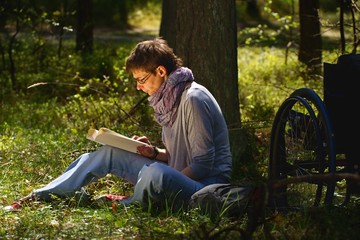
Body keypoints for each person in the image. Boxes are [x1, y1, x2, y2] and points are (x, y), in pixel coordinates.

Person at [5, 37, 232, 212]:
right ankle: (45, 194)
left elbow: (202, 164)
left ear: (161, 71)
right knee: (110, 152)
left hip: (204, 187)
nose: (138, 87)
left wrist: (162, 176)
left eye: (141, 80)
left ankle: (127, 204)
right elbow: (178, 156)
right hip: (175, 175)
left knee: (155, 174)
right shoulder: (169, 98)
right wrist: (154, 153)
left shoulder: (192, 98)